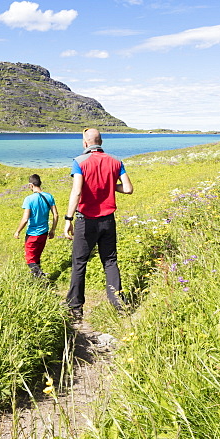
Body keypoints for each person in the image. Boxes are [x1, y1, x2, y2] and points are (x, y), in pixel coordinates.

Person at [63, 128, 133, 321]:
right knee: (110, 261)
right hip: (108, 220)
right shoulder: (116, 161)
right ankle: (119, 305)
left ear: (85, 143)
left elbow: (77, 191)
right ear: (100, 142)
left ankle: (75, 307)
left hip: (86, 221)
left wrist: (68, 219)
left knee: (79, 263)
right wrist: (110, 186)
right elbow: (128, 189)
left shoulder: (79, 162)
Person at [14, 173, 58, 279]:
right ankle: (36, 280)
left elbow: (25, 219)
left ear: (31, 185)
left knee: (30, 260)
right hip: (44, 233)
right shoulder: (49, 196)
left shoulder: (29, 199)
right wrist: (53, 230)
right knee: (37, 257)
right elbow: (56, 214)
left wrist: (18, 231)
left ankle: (41, 278)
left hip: (32, 234)